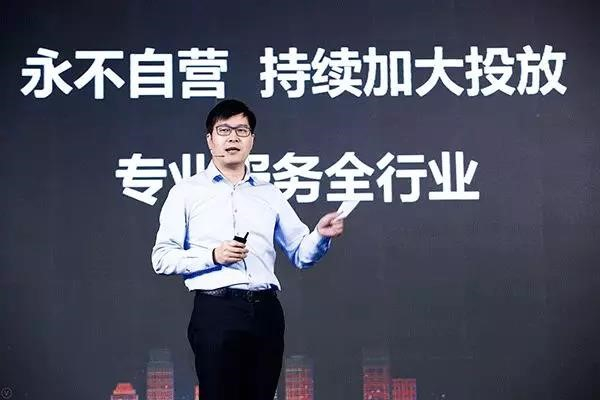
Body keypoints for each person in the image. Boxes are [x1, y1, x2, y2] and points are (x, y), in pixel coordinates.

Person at [151, 99, 344, 400]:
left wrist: (320, 234)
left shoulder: (269, 193)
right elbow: (162, 257)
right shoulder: (186, 192)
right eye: (224, 130)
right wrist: (213, 256)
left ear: (252, 140)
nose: (233, 138)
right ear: (210, 139)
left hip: (265, 310)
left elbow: (301, 254)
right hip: (217, 310)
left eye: (242, 130)